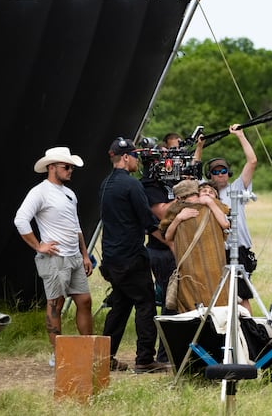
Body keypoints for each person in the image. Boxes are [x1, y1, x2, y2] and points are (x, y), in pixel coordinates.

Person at [14, 147, 93, 368]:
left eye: (71, 167)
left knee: (85, 301)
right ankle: (58, 354)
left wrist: (85, 255)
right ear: (52, 167)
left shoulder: (70, 193)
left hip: (74, 256)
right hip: (55, 257)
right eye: (66, 166)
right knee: (55, 303)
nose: (70, 170)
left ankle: (89, 350)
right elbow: (20, 220)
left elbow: (76, 227)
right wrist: (39, 246)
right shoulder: (40, 191)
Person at [99, 137, 169, 373]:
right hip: (131, 258)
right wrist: (173, 242)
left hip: (112, 258)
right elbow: (149, 223)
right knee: (146, 305)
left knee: (120, 307)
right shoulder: (132, 185)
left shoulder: (106, 184)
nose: (138, 161)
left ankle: (104, 357)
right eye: (136, 157)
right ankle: (145, 359)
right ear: (126, 157)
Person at [142, 132, 204, 362]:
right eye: (166, 159)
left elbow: (194, 175)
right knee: (171, 300)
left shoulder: (173, 182)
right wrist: (185, 196)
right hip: (162, 251)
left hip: (183, 248)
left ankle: (184, 349)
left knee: (186, 299)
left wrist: (199, 148)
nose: (171, 164)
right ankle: (164, 354)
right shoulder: (149, 185)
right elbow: (162, 212)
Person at [206, 124, 257, 312]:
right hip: (216, 251)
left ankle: (248, 331)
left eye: (223, 171)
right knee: (220, 297)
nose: (220, 175)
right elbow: (190, 173)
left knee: (242, 296)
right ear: (209, 175)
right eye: (216, 172)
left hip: (239, 248)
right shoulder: (204, 191)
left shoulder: (237, 187)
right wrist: (199, 147)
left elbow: (252, 161)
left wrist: (240, 135)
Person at [160, 179, 231, 312]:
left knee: (217, 304)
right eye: (190, 196)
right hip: (189, 269)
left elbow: (226, 224)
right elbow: (168, 236)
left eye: (194, 195)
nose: (194, 199)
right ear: (180, 198)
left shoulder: (212, 205)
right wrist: (179, 218)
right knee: (191, 307)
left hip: (213, 266)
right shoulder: (177, 210)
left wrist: (210, 202)